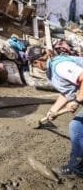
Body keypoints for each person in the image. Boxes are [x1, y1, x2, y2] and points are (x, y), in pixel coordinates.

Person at [45, 45, 83, 178]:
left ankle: (77, 168)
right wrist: (53, 110)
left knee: (77, 127)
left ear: (37, 62)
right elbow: (67, 92)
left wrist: (77, 101)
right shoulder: (55, 66)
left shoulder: (60, 66)